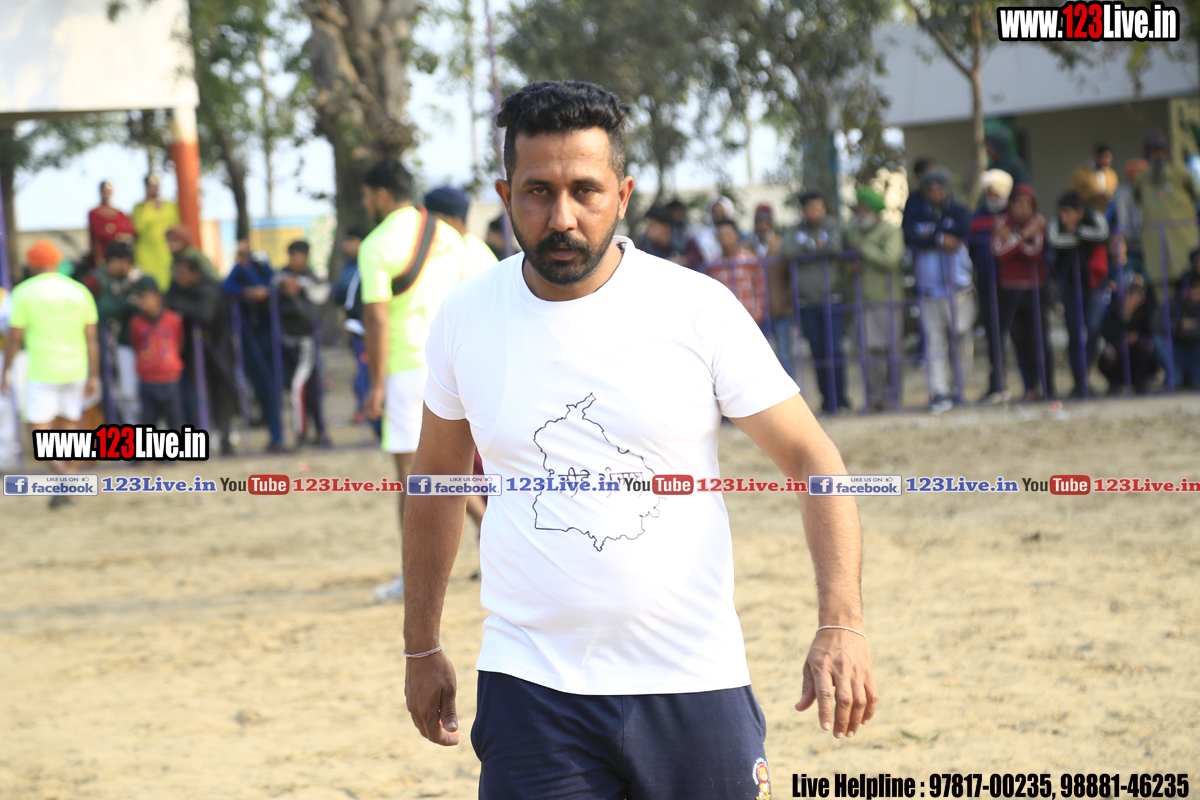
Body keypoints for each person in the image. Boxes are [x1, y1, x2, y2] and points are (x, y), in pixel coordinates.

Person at [402, 80, 877, 797]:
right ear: (504, 197)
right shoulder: (465, 316)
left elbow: (813, 458)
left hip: (692, 678)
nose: (562, 217)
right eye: (537, 192)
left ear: (622, 195)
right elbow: (437, 481)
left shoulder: (696, 308)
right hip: (531, 686)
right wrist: (421, 645)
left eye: (585, 191)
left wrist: (842, 623)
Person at [357, 156, 481, 602]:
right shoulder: (447, 235)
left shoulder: (376, 244)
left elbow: (376, 319)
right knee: (450, 469)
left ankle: (413, 579)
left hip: (405, 367)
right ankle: (493, 534)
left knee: (410, 478)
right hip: (450, 365)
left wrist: (375, 385)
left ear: (380, 194)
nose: (366, 203)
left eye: (367, 195)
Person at [1, 240, 100, 507]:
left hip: (42, 370)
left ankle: (65, 478)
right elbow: (92, 338)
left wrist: (5, 371)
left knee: (38, 434)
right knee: (69, 430)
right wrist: (94, 374)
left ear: (32, 264)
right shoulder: (79, 290)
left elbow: (15, 338)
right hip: (76, 368)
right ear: (56, 262)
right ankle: (67, 481)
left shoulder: (23, 292)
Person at [904, 169, 975, 413]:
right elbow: (909, 234)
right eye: (930, 190)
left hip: (959, 289)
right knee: (935, 342)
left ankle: (958, 388)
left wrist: (931, 235)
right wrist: (939, 238)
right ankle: (940, 391)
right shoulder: (917, 212)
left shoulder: (957, 210)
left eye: (939, 189)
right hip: (929, 290)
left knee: (960, 337)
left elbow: (963, 230)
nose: (935, 194)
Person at [782, 189, 848, 413]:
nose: (818, 211)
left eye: (820, 207)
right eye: (813, 208)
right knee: (818, 353)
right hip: (807, 303)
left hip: (833, 299)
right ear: (803, 210)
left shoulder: (832, 226)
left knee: (835, 351)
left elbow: (835, 247)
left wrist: (807, 251)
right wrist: (814, 246)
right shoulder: (794, 230)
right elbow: (787, 251)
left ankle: (841, 400)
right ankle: (827, 401)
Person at [166, 252, 236, 454]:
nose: (178, 277)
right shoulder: (177, 288)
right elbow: (167, 301)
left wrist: (181, 304)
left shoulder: (210, 287)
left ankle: (225, 438)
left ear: (194, 274)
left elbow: (204, 313)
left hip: (217, 348)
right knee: (196, 395)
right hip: (192, 350)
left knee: (222, 394)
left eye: (182, 273)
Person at [844, 186, 905, 412]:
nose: (861, 213)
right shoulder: (852, 231)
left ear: (875, 211)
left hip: (888, 300)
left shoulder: (891, 231)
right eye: (858, 209)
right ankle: (873, 398)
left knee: (892, 352)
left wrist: (864, 248)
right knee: (867, 354)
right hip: (862, 302)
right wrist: (851, 266)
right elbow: (846, 258)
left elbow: (890, 258)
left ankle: (893, 398)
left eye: (865, 209)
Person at [992, 184, 1055, 400]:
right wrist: (1023, 235)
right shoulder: (1001, 222)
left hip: (1034, 289)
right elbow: (1000, 252)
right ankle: (1030, 387)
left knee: (1040, 339)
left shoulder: (1039, 222)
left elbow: (1035, 253)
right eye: (1018, 204)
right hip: (1009, 290)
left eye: (1027, 204)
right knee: (1019, 341)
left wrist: (1013, 238)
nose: (1023, 209)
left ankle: (1048, 387)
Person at [223, 238, 285, 452]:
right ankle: (272, 434)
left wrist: (248, 270)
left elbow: (267, 285)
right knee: (258, 386)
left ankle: (277, 435)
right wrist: (246, 290)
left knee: (271, 385)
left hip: (268, 335)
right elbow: (227, 286)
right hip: (248, 337)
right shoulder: (239, 270)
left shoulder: (260, 267)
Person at [1047, 190, 1111, 397]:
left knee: (1094, 328)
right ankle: (1078, 381)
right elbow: (1054, 241)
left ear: (1080, 211)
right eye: (1061, 212)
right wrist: (1080, 238)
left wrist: (1077, 233)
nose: (1063, 217)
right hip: (1069, 286)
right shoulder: (1056, 223)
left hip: (1093, 284)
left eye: (1068, 213)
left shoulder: (1093, 217)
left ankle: (1085, 371)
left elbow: (1103, 235)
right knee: (1074, 334)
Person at [274, 241, 331, 447]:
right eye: (290, 255)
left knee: (303, 388)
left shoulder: (312, 282)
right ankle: (312, 433)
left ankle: (309, 434)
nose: (292, 260)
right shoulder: (282, 277)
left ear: (306, 256)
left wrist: (295, 295)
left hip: (307, 342)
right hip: (287, 342)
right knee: (299, 389)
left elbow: (310, 316)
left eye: (296, 255)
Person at [97, 240, 157, 424]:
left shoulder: (145, 280)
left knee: (152, 391)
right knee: (127, 393)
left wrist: (125, 306)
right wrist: (126, 303)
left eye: (112, 262)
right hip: (124, 345)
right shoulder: (112, 284)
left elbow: (150, 308)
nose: (109, 267)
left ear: (125, 261)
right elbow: (103, 310)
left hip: (149, 344)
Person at [970, 169, 1015, 403]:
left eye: (996, 193)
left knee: (1018, 334)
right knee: (993, 337)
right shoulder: (977, 217)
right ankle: (996, 384)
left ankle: (1032, 386)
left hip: (1013, 284)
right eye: (988, 193)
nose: (991, 197)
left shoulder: (1014, 216)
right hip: (987, 284)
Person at [1134, 130, 1200, 287]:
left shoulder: (1181, 176)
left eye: (1161, 151)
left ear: (1167, 152)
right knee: (1162, 293)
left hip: (1185, 250)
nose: (1158, 155)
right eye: (1153, 151)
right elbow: (1137, 200)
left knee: (1190, 291)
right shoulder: (1142, 180)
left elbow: (1196, 196)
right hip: (1156, 253)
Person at [332, 224, 379, 435]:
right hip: (356, 329)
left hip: (367, 329)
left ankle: (371, 415)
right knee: (361, 373)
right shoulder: (348, 265)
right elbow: (339, 296)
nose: (346, 245)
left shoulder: (369, 264)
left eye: (351, 240)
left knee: (366, 375)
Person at [130, 284, 185, 430]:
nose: (143, 303)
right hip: (147, 379)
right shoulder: (136, 322)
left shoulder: (173, 319)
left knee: (174, 419)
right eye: (141, 299)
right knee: (148, 420)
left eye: (147, 298)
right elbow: (136, 343)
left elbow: (179, 342)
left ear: (158, 299)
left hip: (170, 378)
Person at [1098, 272, 1158, 393]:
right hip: (1119, 355)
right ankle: (1114, 384)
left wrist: (1137, 337)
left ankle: (1141, 383)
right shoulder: (1113, 308)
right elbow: (1109, 334)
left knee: (1147, 346)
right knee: (1109, 352)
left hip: (1140, 355)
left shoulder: (1148, 308)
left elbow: (1153, 330)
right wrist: (1126, 312)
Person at [425, 186, 499, 277]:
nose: (429, 224)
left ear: (455, 221)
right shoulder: (465, 246)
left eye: (433, 219)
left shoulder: (468, 253)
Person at [754, 204, 792, 375]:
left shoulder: (780, 245)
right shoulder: (748, 246)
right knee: (759, 358)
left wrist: (787, 299)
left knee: (784, 354)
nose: (762, 226)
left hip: (779, 308)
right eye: (759, 222)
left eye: (766, 222)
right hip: (756, 312)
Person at [704, 219, 765, 324]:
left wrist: (757, 314)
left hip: (749, 318)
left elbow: (760, 288)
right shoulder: (714, 264)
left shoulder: (750, 259)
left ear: (736, 235)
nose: (724, 238)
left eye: (727, 235)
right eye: (721, 235)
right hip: (724, 321)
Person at [132, 174, 181, 290]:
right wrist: (149, 205)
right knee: (149, 286)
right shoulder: (139, 208)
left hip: (166, 253)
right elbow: (138, 228)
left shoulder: (169, 206)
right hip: (145, 254)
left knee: (167, 285)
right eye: (150, 186)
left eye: (156, 185)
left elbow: (176, 227)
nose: (153, 188)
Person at [1110, 159, 1149, 279]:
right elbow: (1109, 218)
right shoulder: (1120, 193)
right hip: (1128, 244)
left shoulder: (1149, 192)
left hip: (1146, 242)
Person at [1164, 261, 1200, 387]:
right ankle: (1176, 377)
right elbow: (1157, 327)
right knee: (1158, 339)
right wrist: (1179, 325)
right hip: (1177, 350)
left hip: (1196, 350)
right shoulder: (1173, 304)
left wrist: (1190, 325)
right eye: (1195, 288)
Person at [87, 180, 134, 269]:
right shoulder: (94, 213)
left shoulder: (120, 214)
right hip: (101, 260)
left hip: (119, 260)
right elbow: (97, 235)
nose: (107, 193)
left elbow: (130, 231)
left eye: (109, 190)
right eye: (105, 190)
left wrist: (117, 234)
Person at [1070, 143, 1118, 212]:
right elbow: (1074, 196)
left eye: (1109, 158)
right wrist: (1094, 197)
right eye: (1103, 157)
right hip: (1086, 212)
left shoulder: (1112, 174)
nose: (1106, 161)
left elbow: (1115, 193)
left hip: (1107, 212)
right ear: (1095, 156)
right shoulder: (1080, 173)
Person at [690, 195, 735, 267]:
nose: (718, 215)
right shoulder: (703, 236)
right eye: (715, 212)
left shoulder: (736, 233)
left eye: (721, 212)